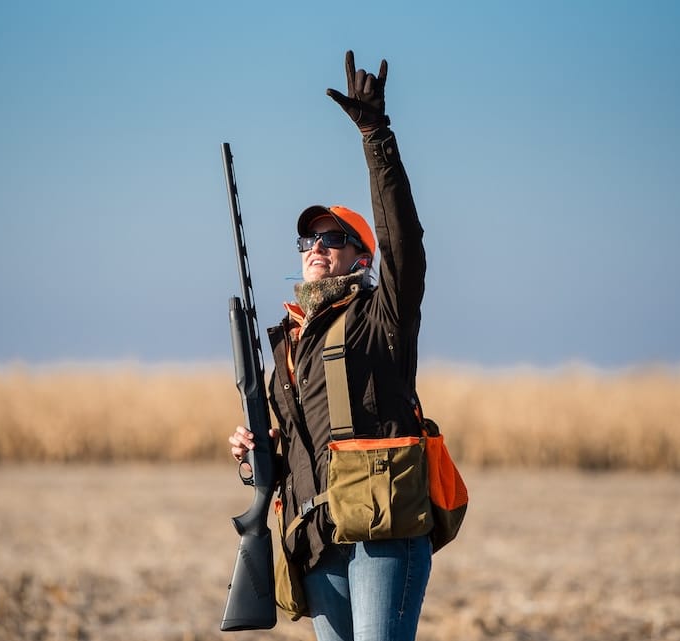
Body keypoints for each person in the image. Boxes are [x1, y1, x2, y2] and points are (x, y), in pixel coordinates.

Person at [228, 50, 431, 641]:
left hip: (381, 531)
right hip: (315, 537)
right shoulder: (290, 345)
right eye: (307, 238)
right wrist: (253, 450)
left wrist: (376, 137)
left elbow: (405, 247)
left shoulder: (379, 316)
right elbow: (295, 442)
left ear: (361, 258)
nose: (315, 246)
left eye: (332, 238)